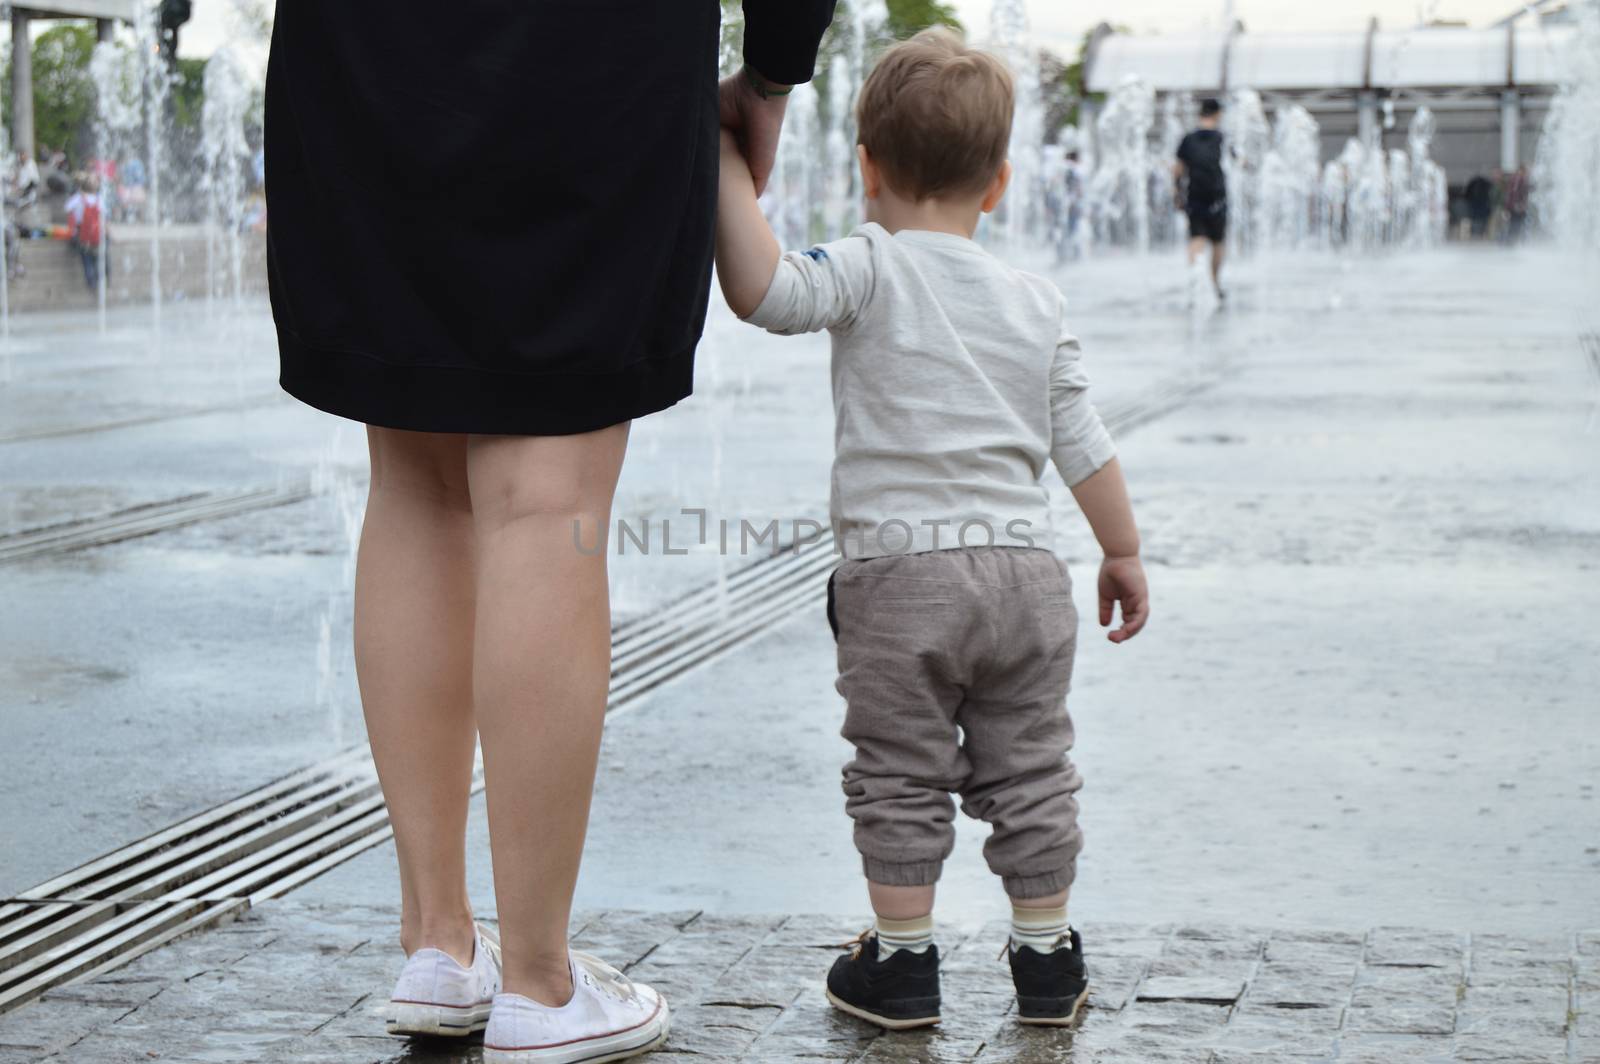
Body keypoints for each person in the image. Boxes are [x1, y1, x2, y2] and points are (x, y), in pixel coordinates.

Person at [264, 3, 835, 1062]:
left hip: (358, 49)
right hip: (591, 49)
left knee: (414, 472)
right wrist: (769, 72)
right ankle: (537, 977)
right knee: (546, 488)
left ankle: (437, 943)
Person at [714, 29, 1149, 1032]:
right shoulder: (1035, 300)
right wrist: (1120, 550)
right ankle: (1045, 956)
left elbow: (763, 290)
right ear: (996, 184)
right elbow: (1079, 438)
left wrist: (725, 166)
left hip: (900, 575)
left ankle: (902, 966)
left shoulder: (869, 265)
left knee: (900, 769)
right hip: (1028, 575)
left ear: (865, 170)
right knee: (1031, 762)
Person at [1175, 98, 1228, 298]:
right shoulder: (1222, 137)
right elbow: (1238, 161)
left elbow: (1178, 169)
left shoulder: (1188, 139)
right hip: (1217, 196)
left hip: (1194, 194)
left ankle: (1198, 281)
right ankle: (1214, 282)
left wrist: (1177, 193)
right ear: (1217, 114)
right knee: (1217, 241)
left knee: (1197, 238)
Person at [64, 175, 108, 293]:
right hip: (97, 234)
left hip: (82, 233)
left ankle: (91, 283)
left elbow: (67, 208)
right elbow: (104, 217)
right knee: (97, 258)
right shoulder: (99, 199)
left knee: (86, 259)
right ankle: (101, 282)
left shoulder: (78, 198)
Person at [1503, 165, 1531, 244]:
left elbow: (1510, 194)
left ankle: (1513, 242)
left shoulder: (1517, 180)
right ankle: (1512, 242)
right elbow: (1514, 194)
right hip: (1516, 207)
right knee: (1515, 225)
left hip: (1516, 207)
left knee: (1516, 225)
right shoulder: (1518, 180)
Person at [1465, 173, 1494, 238]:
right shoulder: (1486, 184)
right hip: (1482, 205)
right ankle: (1481, 233)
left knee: (1475, 220)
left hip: (1475, 205)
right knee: (1481, 220)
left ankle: (1475, 233)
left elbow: (1467, 195)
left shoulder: (1473, 184)